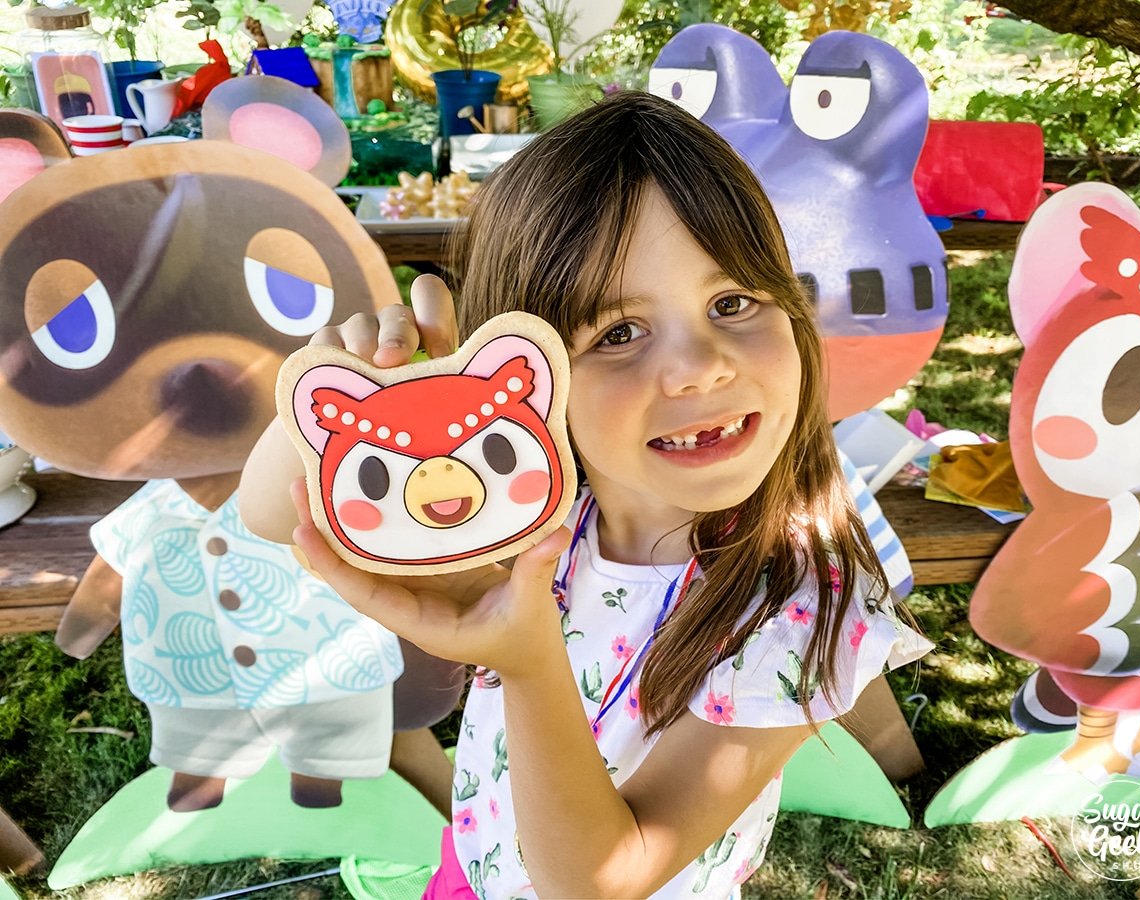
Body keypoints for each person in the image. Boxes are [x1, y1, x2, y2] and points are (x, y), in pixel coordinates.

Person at [240, 91, 930, 900]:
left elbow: (600, 878)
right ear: (532, 376)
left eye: (732, 302)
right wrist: (356, 395)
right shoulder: (536, 502)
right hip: (477, 868)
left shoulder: (795, 599)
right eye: (619, 333)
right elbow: (274, 512)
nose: (699, 366)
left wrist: (528, 663)